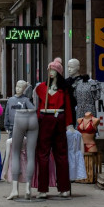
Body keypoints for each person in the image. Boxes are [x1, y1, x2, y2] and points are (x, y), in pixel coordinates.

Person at [34, 57, 74, 199]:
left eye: (54, 70)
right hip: (45, 120)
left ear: (59, 72)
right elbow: (38, 107)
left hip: (59, 120)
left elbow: (68, 107)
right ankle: (42, 189)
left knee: (61, 154)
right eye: (49, 69)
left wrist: (69, 124)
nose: (51, 72)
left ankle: (64, 187)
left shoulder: (64, 90)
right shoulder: (41, 88)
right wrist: (36, 123)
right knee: (42, 154)